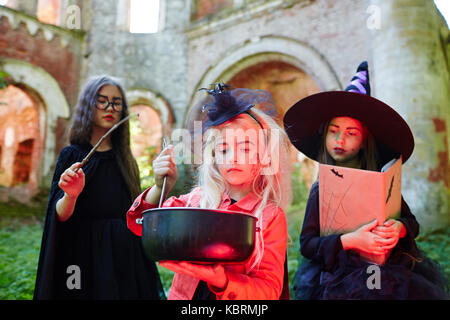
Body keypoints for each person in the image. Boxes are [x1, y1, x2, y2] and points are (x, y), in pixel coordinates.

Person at [284, 62, 448, 300]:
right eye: (333, 130)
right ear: (324, 135)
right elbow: (308, 245)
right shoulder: (321, 189)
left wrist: (400, 229)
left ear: (363, 140)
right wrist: (349, 240)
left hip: (388, 274)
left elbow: (412, 222)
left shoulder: (381, 183)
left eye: (351, 133)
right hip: (338, 280)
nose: (340, 139)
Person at [127, 83, 290, 300]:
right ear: (213, 158)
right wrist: (159, 186)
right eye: (223, 149)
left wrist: (221, 280)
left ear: (265, 156)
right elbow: (142, 223)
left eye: (245, 148)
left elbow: (268, 290)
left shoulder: (269, 217)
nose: (232, 157)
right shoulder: (196, 201)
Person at [34, 75, 165, 300]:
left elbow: (136, 210)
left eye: (116, 102)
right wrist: (71, 195)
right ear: (88, 105)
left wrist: (160, 184)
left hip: (124, 255)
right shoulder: (73, 155)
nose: (109, 107)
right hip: (83, 255)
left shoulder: (126, 160)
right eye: (102, 100)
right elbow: (59, 216)